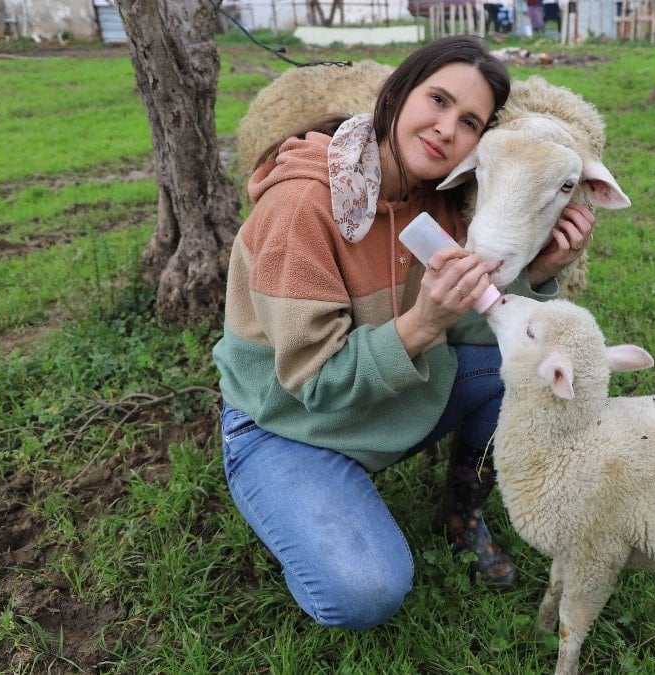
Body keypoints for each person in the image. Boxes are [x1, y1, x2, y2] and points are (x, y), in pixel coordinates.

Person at [213, 35, 596, 630]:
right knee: (366, 593)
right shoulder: (301, 209)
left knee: (528, 361)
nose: (446, 128)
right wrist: (422, 323)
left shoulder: (438, 202)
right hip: (285, 423)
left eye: (468, 120)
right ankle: (295, 496)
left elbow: (471, 325)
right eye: (437, 99)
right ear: (396, 94)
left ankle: (461, 510)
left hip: (378, 398)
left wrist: (542, 272)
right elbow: (314, 382)